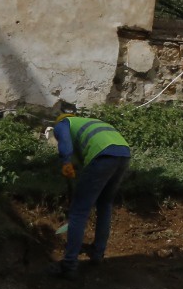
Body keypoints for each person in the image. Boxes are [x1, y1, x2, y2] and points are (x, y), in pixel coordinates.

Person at [50, 110, 132, 278]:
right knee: (104, 204)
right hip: (123, 154)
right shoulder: (90, 123)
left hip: (102, 156)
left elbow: (65, 142)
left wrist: (65, 161)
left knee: (79, 211)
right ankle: (97, 253)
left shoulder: (63, 124)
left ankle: (69, 264)